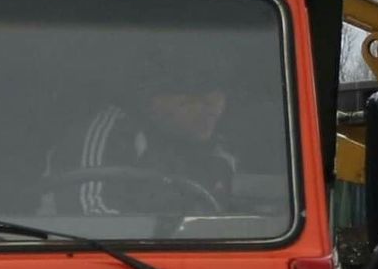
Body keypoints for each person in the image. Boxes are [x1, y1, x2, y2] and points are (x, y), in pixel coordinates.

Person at [45, 43, 236, 218]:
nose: (210, 111)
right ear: (154, 100)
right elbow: (91, 218)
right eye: (191, 101)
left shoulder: (220, 147)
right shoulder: (109, 131)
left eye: (215, 99)